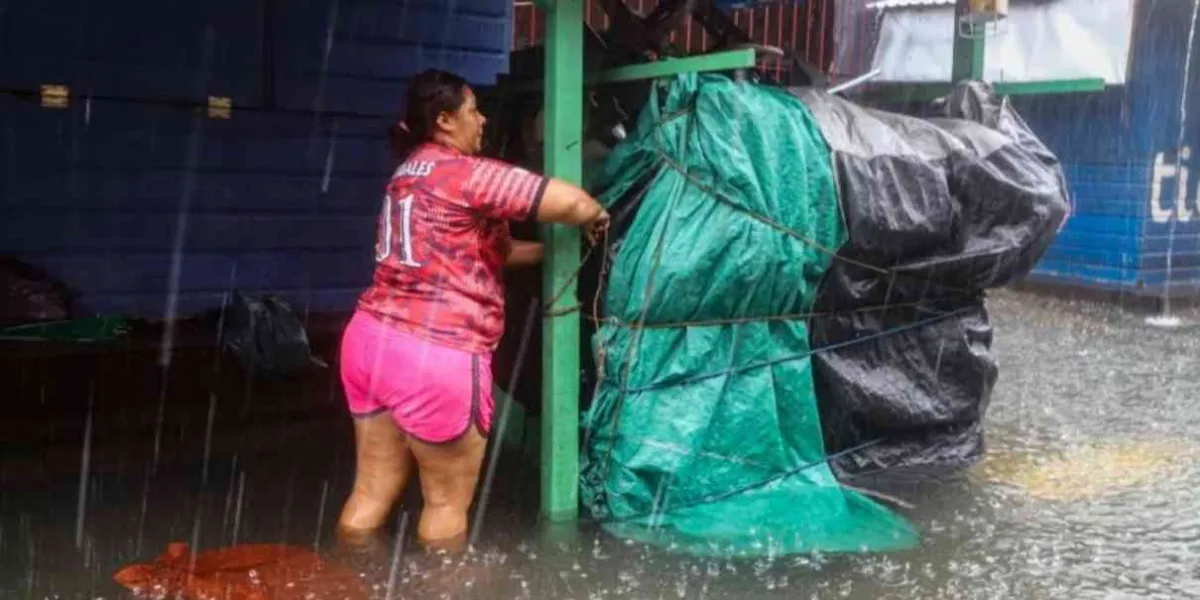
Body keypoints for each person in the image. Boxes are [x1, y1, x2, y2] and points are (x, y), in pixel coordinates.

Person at [336, 69, 609, 552]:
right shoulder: (466, 175)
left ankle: (344, 574)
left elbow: (491, 251)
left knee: (370, 492)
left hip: (371, 342)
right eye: (472, 110)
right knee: (443, 507)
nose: (481, 120)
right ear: (444, 120)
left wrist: (551, 254)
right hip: (435, 353)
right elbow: (572, 203)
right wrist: (597, 217)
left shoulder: (407, 174)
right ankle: (442, 585)